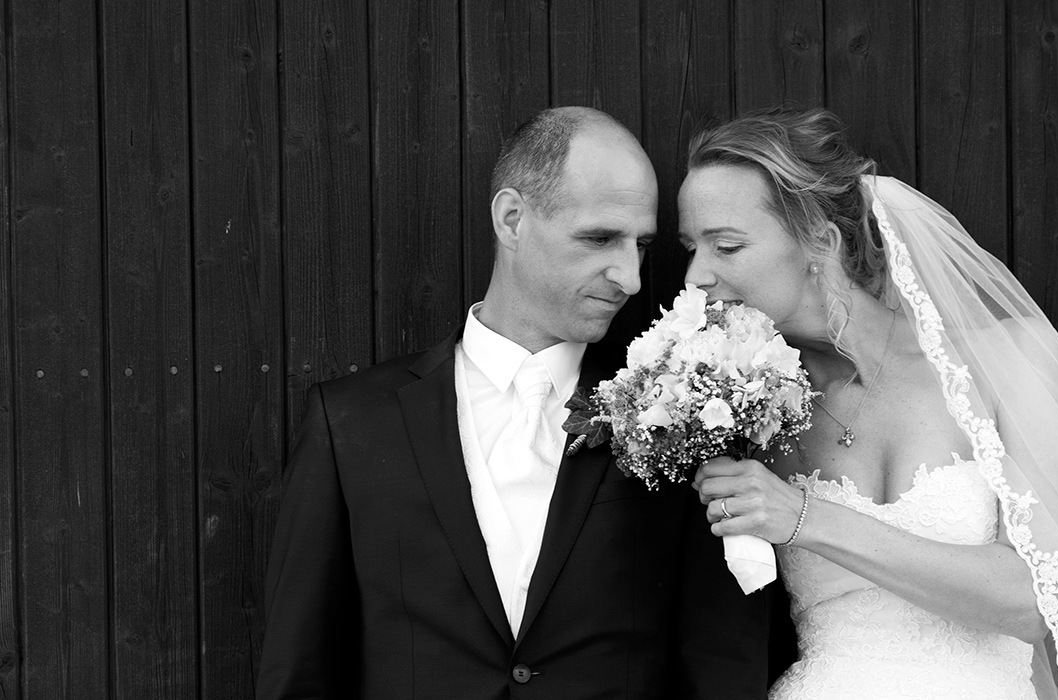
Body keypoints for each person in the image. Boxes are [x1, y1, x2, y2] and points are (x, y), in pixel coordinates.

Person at [678, 107, 1058, 700]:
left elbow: (1035, 601)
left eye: (726, 246)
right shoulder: (738, 408)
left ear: (819, 242)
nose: (696, 275)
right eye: (690, 247)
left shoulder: (1006, 361)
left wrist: (807, 517)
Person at [258, 106, 771, 700]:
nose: (630, 278)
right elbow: (299, 669)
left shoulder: (688, 409)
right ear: (511, 219)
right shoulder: (350, 421)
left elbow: (722, 661)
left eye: (643, 246)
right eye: (600, 237)